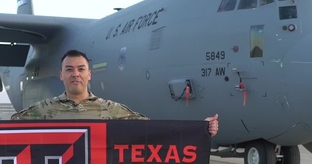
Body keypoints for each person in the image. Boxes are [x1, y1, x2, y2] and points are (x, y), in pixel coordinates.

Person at [11, 49, 219, 137]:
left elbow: (154, 130)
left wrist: (201, 129)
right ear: (61, 75)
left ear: (89, 74)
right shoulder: (43, 111)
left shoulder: (111, 110)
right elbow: (8, 133)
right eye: (69, 70)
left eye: (81, 69)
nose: (76, 74)